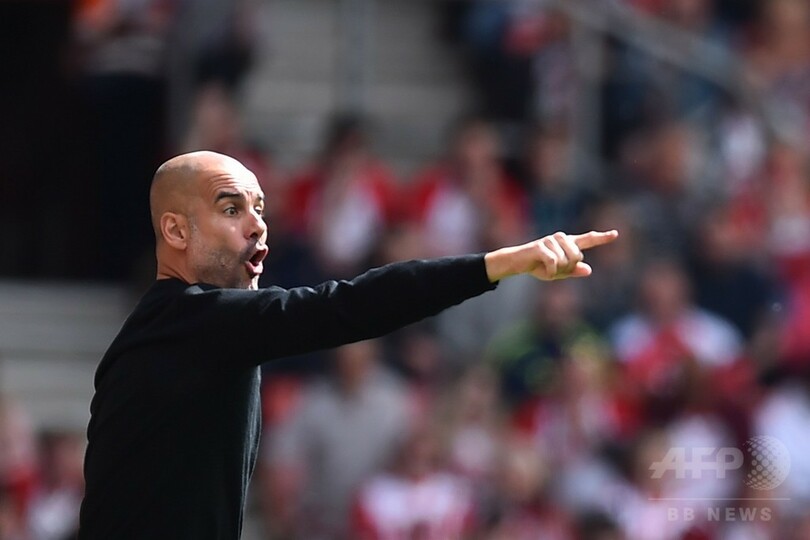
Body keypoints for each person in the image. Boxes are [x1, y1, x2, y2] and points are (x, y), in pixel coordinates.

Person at [77, 150, 617, 539]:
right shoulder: (189, 320)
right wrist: (499, 264)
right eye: (231, 208)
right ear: (176, 231)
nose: (258, 226)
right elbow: (349, 305)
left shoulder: (190, 331)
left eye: (260, 208)